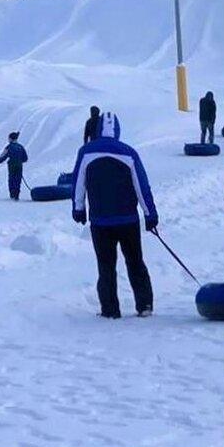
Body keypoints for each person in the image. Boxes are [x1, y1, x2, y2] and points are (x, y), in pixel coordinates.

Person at [69, 114, 157, 318]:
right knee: (135, 262)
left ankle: (110, 308)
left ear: (98, 128)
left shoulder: (86, 152)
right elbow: (141, 186)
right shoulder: (128, 153)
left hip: (100, 221)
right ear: (117, 129)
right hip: (128, 220)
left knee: (106, 266)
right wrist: (150, 214)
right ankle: (144, 305)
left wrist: (78, 208)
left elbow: (78, 183)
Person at [0, 132, 29, 200]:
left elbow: (3, 156)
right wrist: (19, 160)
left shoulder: (9, 147)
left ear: (10, 139)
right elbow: (25, 158)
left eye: (9, 138)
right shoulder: (21, 147)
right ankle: (17, 194)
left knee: (12, 179)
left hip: (12, 165)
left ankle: (12, 194)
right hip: (19, 165)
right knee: (18, 179)